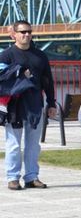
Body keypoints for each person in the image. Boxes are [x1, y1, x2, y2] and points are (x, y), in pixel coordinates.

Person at [1, 21, 57, 190]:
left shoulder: (40, 56)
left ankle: (32, 177)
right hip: (14, 106)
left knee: (33, 144)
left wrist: (52, 103)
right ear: (14, 35)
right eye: (23, 32)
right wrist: (17, 72)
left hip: (35, 105)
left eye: (29, 32)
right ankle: (13, 177)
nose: (26, 35)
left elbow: (47, 80)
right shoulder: (6, 56)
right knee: (14, 143)